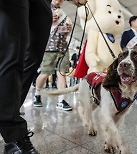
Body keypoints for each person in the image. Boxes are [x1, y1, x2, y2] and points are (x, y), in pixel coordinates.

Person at [0, 0, 87, 153]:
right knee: (14, 49)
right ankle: (13, 133)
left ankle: (8, 110)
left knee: (33, 54)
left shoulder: (63, 14)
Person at [34, 0, 72, 111]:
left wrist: (68, 28)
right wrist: (47, 20)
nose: (60, 0)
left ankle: (61, 100)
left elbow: (62, 31)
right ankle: (37, 94)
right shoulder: (44, 9)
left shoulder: (63, 14)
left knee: (62, 74)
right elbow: (36, 25)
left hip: (63, 48)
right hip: (49, 48)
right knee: (45, 73)